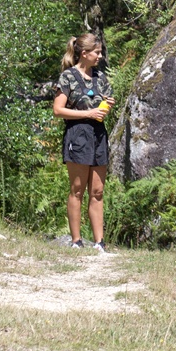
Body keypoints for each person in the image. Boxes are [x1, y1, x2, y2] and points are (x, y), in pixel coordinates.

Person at [52, 33, 112, 253]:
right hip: (77, 135)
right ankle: (76, 241)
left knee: (97, 191)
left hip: (98, 135)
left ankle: (99, 243)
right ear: (84, 53)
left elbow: (103, 104)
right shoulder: (67, 77)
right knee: (77, 189)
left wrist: (107, 105)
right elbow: (58, 110)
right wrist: (88, 113)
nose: (100, 56)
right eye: (97, 52)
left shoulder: (100, 77)